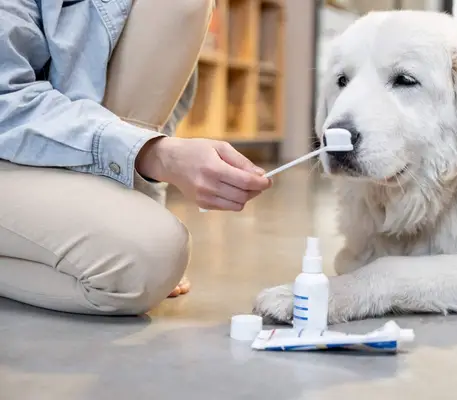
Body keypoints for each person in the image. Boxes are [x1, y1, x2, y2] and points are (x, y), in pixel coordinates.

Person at [0, 0, 271, 315]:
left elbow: (149, 106)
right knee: (144, 264)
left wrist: (145, 188)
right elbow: (6, 100)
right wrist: (154, 153)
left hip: (53, 153)